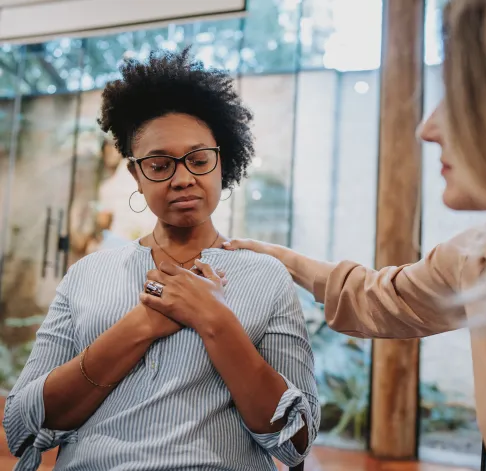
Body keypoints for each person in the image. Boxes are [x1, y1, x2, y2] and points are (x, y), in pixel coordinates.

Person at [3, 49, 319, 471]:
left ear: (222, 162)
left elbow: (296, 439)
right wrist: (141, 325)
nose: (183, 178)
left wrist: (215, 320)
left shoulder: (266, 276)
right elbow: (21, 423)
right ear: (136, 174)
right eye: (159, 164)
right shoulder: (87, 274)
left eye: (199, 159)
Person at [222, 0, 486, 469]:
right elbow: (377, 297)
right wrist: (278, 258)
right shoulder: (477, 256)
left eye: (458, 97)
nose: (425, 128)